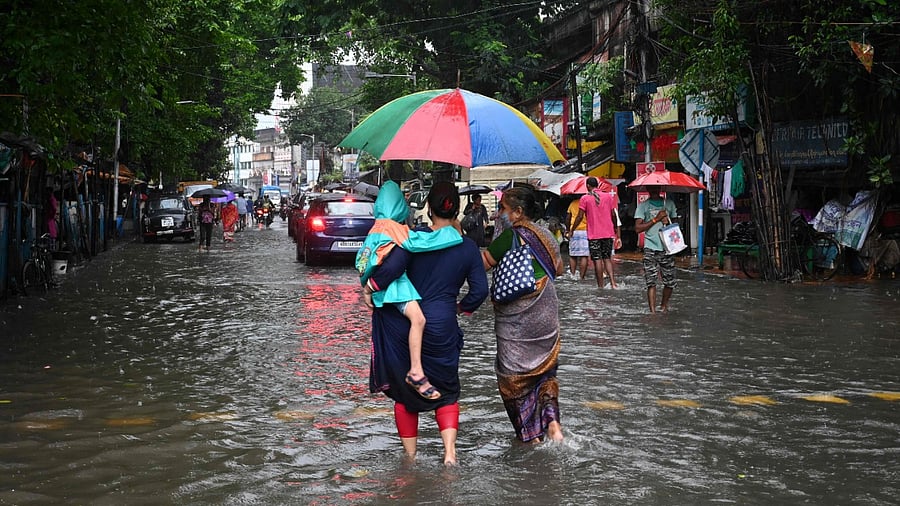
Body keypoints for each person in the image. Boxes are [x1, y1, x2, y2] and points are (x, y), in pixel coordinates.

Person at [362, 182, 488, 465]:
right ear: (456, 208)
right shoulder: (467, 247)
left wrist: (369, 288)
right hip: (443, 325)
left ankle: (410, 458)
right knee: (447, 389)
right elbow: (479, 291)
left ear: (429, 209)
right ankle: (450, 454)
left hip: (403, 328)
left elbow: (391, 269)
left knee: (405, 395)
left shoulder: (413, 238)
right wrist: (458, 308)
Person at [356, 181, 464, 401]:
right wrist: (454, 234)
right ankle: (416, 371)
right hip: (394, 288)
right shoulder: (394, 228)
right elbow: (421, 242)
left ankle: (415, 371)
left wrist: (367, 290)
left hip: (380, 289)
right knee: (419, 320)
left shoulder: (376, 227)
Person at [482, 187, 565, 443]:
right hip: (546, 315)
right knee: (545, 374)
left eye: (503, 209)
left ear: (518, 212)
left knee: (513, 378)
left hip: (518, 321)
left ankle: (531, 437)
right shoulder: (547, 235)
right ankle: (552, 423)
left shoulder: (511, 237)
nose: (499, 215)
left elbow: (483, 264)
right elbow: (559, 270)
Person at [568, 177, 620, 288]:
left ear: (588, 186)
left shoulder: (585, 198)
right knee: (607, 258)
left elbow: (579, 216)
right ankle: (613, 283)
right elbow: (613, 215)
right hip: (608, 233)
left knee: (597, 259)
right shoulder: (608, 197)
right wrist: (614, 229)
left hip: (594, 235)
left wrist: (572, 229)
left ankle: (600, 286)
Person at [633, 186, 678, 313]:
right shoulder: (643, 206)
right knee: (651, 281)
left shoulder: (669, 204)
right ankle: (652, 311)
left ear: (660, 188)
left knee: (670, 281)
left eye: (656, 187)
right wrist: (655, 219)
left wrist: (666, 221)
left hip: (667, 247)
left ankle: (663, 306)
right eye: (651, 188)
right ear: (647, 189)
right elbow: (638, 228)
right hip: (650, 247)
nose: (653, 190)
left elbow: (675, 226)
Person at [564, 196, 589, 279]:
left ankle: (573, 275)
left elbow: (568, 217)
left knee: (573, 255)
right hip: (586, 230)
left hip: (574, 231)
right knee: (584, 256)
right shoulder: (588, 202)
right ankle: (582, 277)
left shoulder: (573, 203)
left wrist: (568, 230)